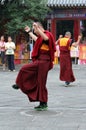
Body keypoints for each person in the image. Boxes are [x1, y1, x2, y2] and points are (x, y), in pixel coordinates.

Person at [12, 22, 56, 111]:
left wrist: (38, 28)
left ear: (39, 28)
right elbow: (38, 39)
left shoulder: (48, 34)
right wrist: (29, 32)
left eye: (35, 29)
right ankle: (20, 83)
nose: (35, 31)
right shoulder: (41, 37)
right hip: (40, 61)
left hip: (44, 61)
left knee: (41, 82)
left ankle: (43, 103)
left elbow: (46, 39)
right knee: (29, 73)